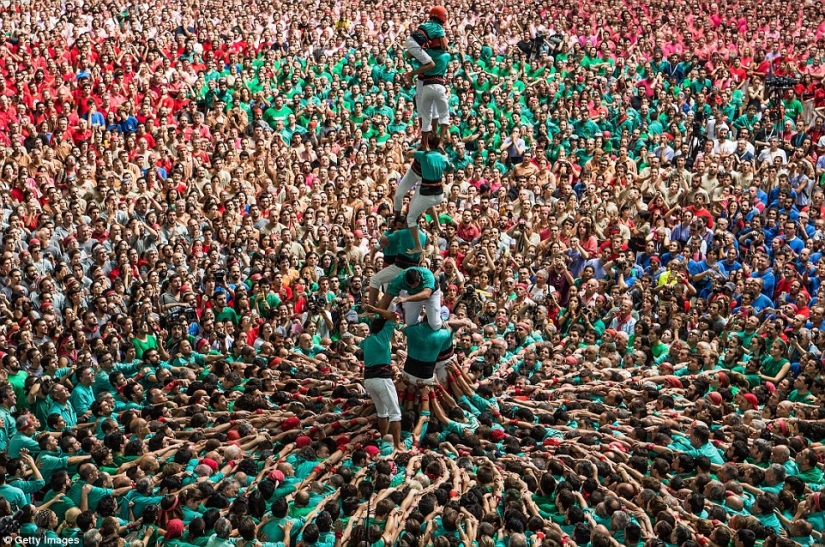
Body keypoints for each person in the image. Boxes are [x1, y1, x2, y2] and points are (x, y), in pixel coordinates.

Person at [359, 304, 402, 448]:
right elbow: (395, 316)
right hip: (382, 379)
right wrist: (376, 309)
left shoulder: (366, 341)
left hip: (369, 381)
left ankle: (385, 440)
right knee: (395, 413)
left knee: (382, 412)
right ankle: (397, 445)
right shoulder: (383, 336)